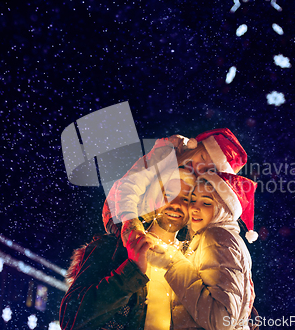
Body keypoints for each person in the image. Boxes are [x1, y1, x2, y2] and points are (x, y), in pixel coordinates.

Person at [59, 168, 196, 330]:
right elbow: (71, 318)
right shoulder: (113, 248)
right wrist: (131, 272)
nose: (176, 205)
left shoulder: (194, 261)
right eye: (169, 194)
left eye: (186, 199)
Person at [147, 171, 257, 330]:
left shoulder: (216, 237)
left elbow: (221, 320)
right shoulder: (216, 239)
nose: (194, 208)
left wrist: (174, 263)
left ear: (223, 208)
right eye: (192, 200)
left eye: (206, 203)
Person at [103, 128, 248, 246]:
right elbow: (132, 183)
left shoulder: (201, 181)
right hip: (118, 209)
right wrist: (130, 219)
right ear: (196, 147)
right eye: (202, 157)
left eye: (209, 169)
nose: (200, 167)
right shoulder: (168, 152)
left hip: (156, 221)